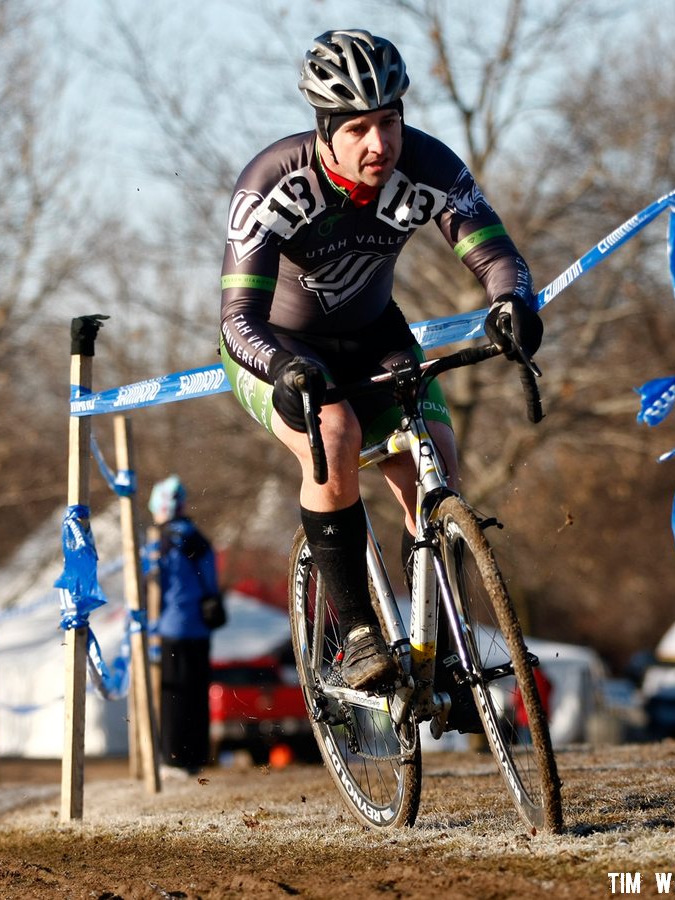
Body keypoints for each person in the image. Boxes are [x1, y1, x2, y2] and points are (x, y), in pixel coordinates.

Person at [218, 30, 543, 700]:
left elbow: (497, 255)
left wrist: (512, 304)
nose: (379, 144)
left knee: (435, 466)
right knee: (332, 437)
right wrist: (282, 368)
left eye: (389, 122)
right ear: (325, 129)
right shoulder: (273, 182)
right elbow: (236, 319)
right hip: (277, 347)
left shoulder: (428, 164)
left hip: (374, 335)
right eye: (359, 128)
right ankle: (356, 633)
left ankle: (439, 639)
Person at [148, 475, 219, 776]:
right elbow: (211, 582)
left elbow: (154, 586)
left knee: (172, 695)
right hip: (199, 628)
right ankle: (195, 757)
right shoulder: (198, 538)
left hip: (170, 627)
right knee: (196, 695)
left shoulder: (160, 541)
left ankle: (173, 758)